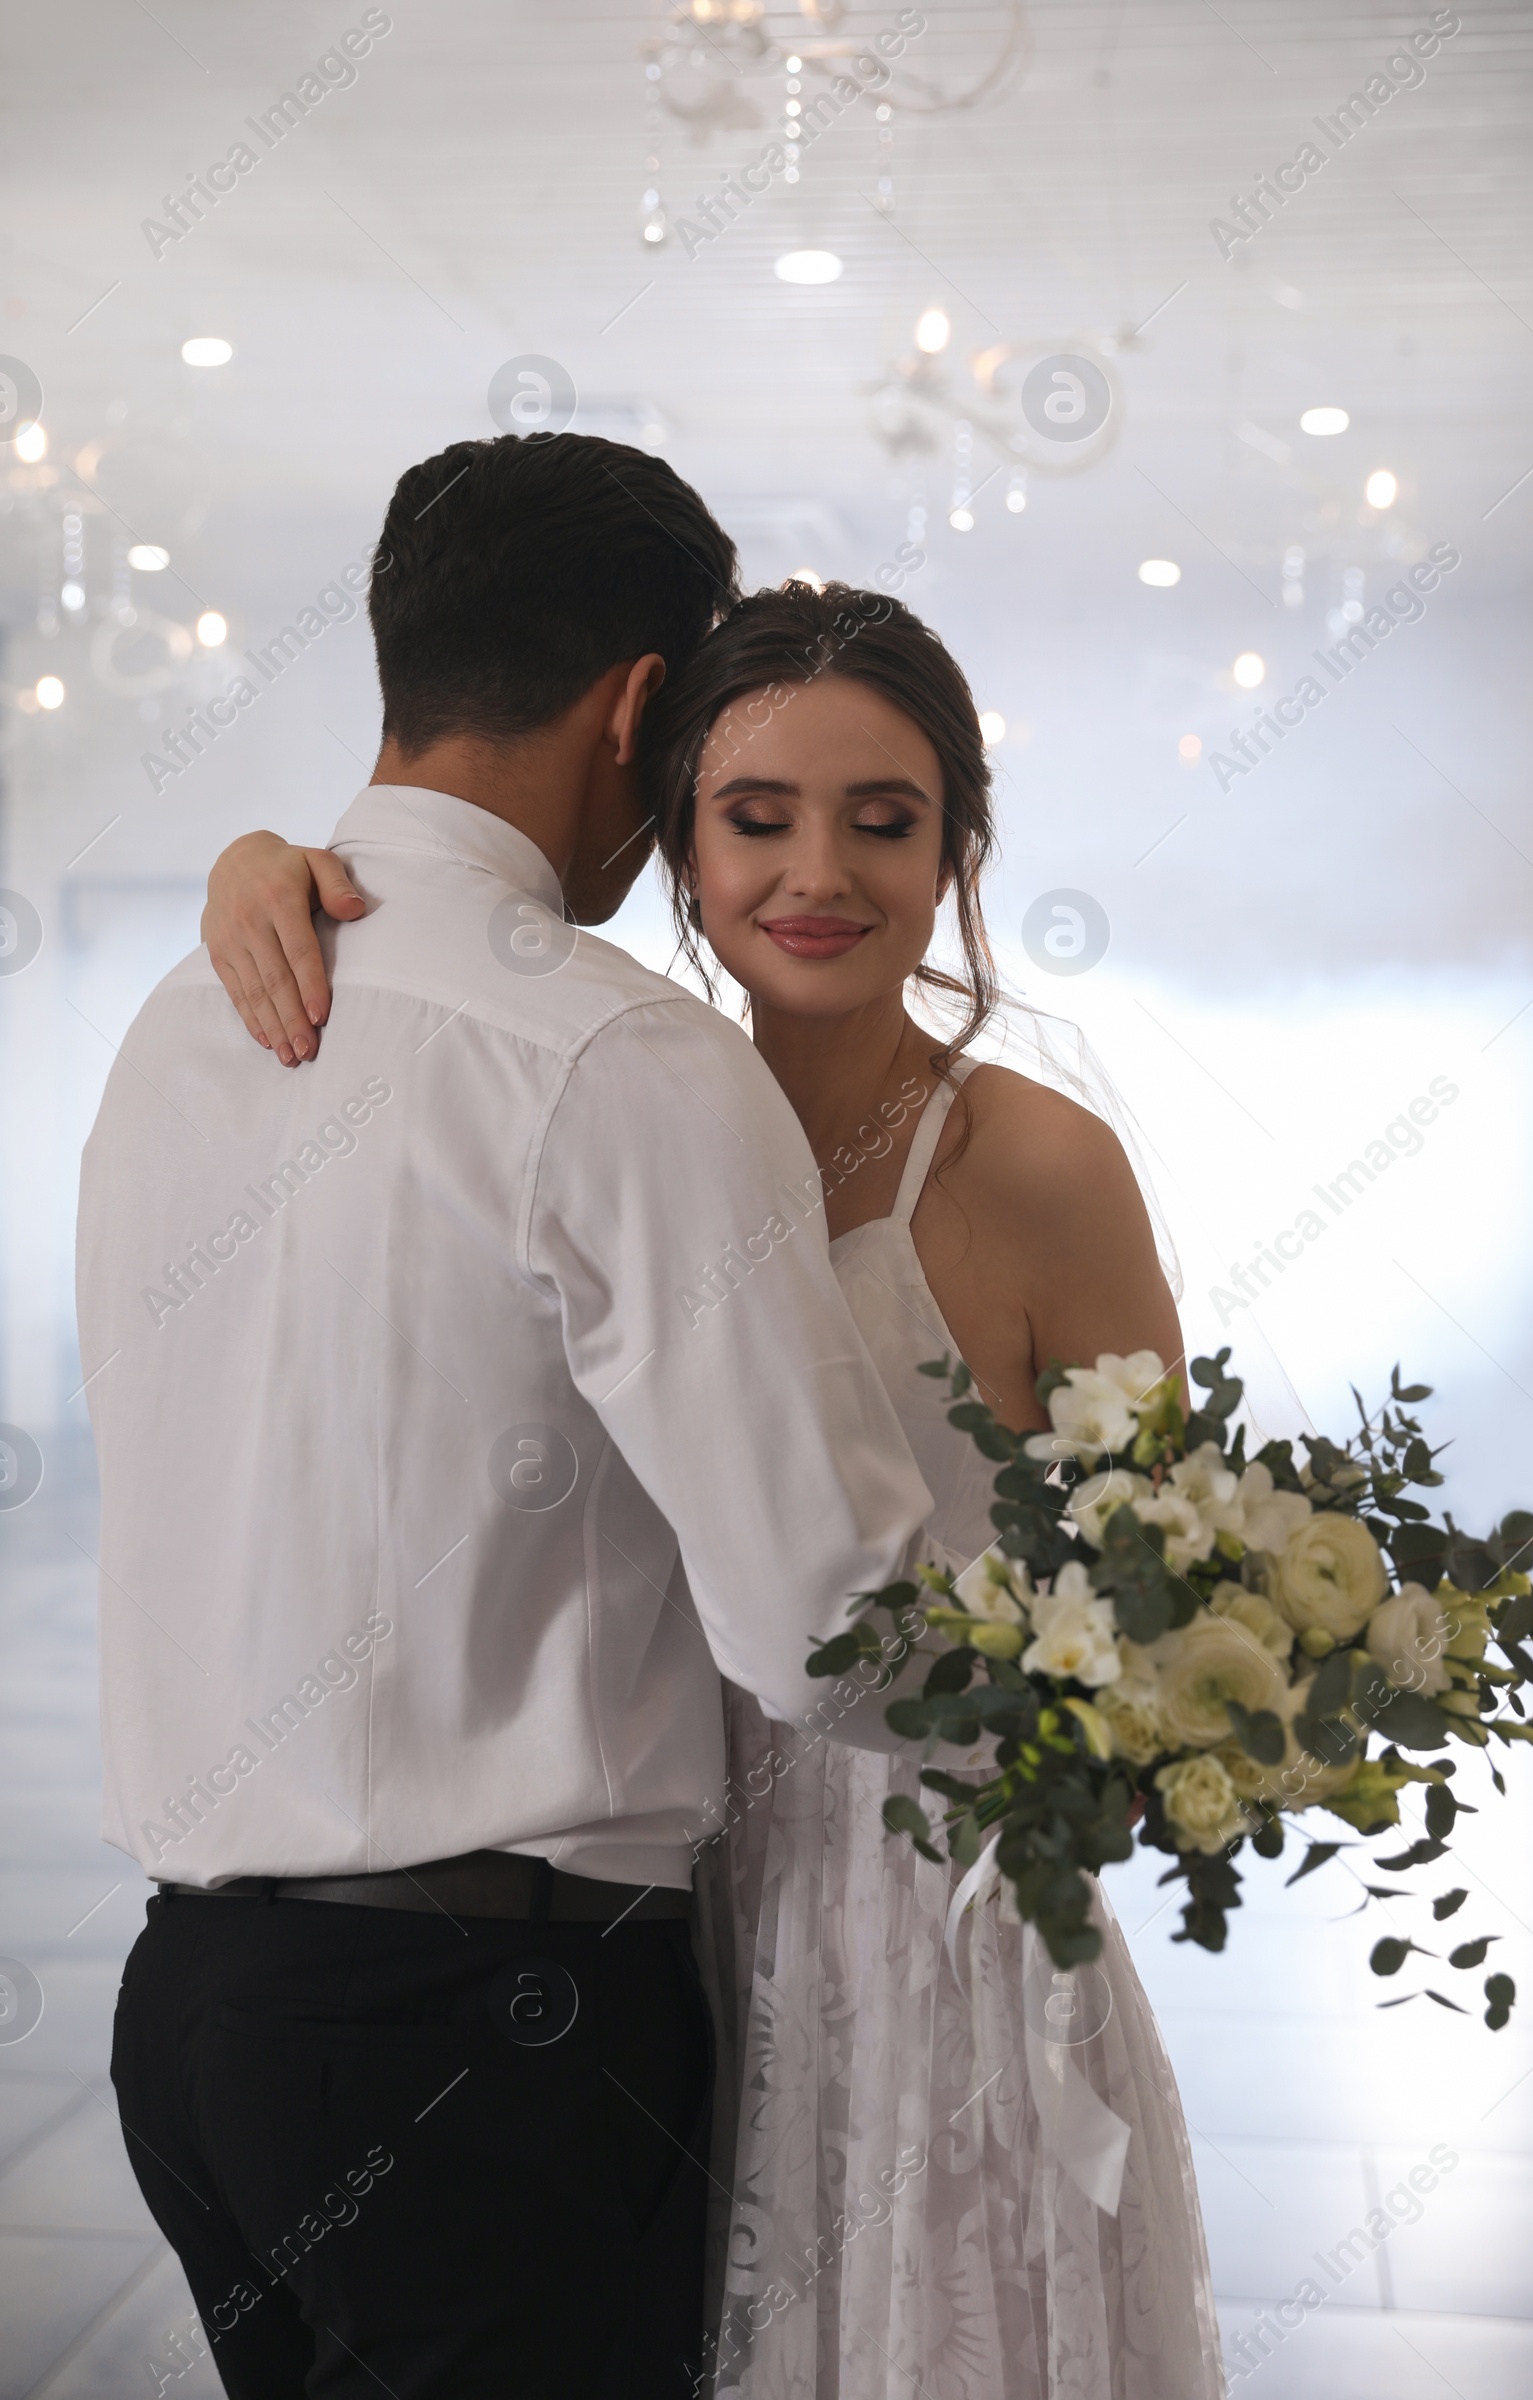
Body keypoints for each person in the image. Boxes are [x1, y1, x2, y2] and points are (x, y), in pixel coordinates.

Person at [204, 578, 1227, 2399]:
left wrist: (1119, 1741)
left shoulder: (1041, 1165)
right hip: (650, 1924)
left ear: (957, 849)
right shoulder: (629, 1110)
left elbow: (1187, 1581)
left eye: (884, 818)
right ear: (673, 835)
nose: (815, 870)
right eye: (756, 818)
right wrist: (260, 867)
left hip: (942, 1941)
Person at [76, 438, 942, 2400]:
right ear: (644, 706)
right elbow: (831, 1615)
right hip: (490, 2031)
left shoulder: (187, 1014)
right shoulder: (614, 1054)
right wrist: (1104, 1715)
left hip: (198, 2019)